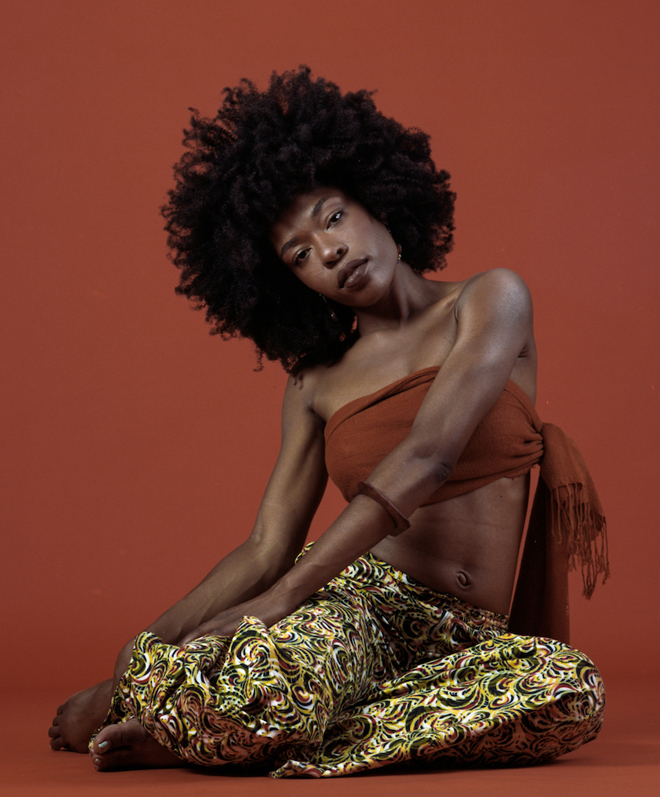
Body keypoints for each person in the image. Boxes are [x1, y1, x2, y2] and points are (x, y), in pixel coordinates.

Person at [48, 67, 609, 778]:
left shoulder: (489, 299)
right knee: (269, 678)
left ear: (378, 200)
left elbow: (429, 454)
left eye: (334, 217)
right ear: (290, 283)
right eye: (300, 255)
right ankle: (204, 710)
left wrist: (284, 594)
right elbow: (267, 545)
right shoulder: (316, 380)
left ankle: (218, 730)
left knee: (569, 691)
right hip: (362, 610)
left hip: (473, 639)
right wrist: (139, 652)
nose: (330, 251)